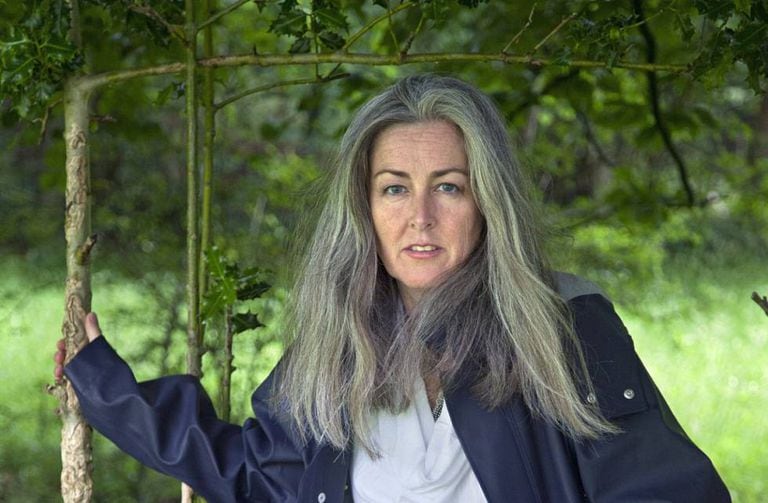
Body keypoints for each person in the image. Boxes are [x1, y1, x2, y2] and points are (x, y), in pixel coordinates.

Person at [54, 74, 730, 502]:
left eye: (449, 187)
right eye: (395, 189)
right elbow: (257, 471)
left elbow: (668, 491)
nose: (420, 217)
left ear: (488, 202)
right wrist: (109, 391)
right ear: (364, 207)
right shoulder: (340, 341)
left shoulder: (564, 325)